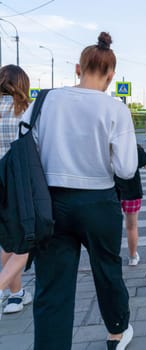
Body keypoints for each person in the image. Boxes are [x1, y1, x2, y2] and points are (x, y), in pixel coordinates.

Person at [21, 32, 138, 350]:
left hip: (50, 202)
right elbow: (127, 169)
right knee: (107, 269)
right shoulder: (116, 110)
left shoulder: (44, 101)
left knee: (52, 285)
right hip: (98, 202)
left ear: (78, 68)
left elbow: (25, 148)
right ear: (111, 76)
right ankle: (116, 332)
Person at [0, 65, 33, 318]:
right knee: (25, 241)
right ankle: (8, 291)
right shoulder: (25, 112)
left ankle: (16, 295)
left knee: (6, 240)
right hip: (19, 183)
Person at [115, 144, 146, 266]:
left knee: (111, 226)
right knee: (131, 227)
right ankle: (133, 257)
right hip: (132, 192)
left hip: (111, 192)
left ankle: (111, 257)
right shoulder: (135, 147)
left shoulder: (109, 146)